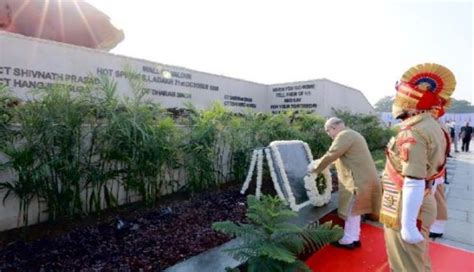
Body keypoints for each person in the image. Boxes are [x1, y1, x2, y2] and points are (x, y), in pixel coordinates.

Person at [380, 63, 455, 271]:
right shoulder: (434, 126)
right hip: (423, 198)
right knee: (418, 260)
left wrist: (408, 225)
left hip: (408, 204)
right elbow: (437, 171)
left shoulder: (411, 132)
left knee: (407, 264)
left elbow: (413, 180)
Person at [307, 117, 382, 249]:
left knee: (351, 210)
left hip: (358, 180)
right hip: (364, 179)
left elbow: (332, 154)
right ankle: (353, 237)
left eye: (327, 130)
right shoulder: (353, 134)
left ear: (334, 127)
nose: (328, 134)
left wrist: (314, 168)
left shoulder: (344, 136)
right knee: (356, 210)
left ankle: (348, 240)